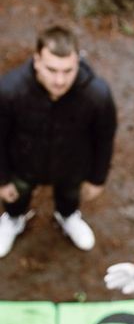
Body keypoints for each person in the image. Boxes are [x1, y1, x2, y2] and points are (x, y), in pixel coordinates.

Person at [0, 25, 117, 257]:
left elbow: (104, 138)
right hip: (22, 164)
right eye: (52, 70)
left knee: (69, 196)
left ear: (77, 63)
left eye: (68, 71)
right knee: (16, 197)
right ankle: (13, 219)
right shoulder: (9, 92)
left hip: (72, 165)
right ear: (37, 61)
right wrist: (2, 179)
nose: (60, 80)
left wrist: (97, 179)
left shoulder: (97, 95)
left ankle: (67, 215)